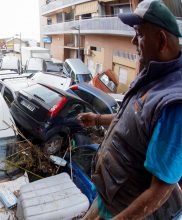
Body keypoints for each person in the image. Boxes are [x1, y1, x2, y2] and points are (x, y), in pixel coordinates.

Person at [79, 1, 182, 219]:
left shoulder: (174, 104)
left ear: (161, 40)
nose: (133, 41)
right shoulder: (153, 76)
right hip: (111, 196)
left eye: (140, 34)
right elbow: (133, 121)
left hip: (127, 209)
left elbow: (160, 191)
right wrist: (97, 119)